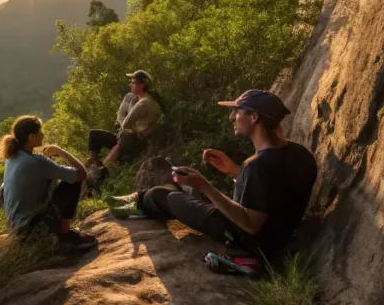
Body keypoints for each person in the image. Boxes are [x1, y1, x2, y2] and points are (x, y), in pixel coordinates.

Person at [107, 90, 318, 261]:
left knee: (162, 195)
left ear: (254, 117)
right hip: (278, 234)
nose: (232, 117)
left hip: (250, 239)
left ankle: (139, 202)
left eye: (237, 111)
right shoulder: (300, 153)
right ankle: (156, 196)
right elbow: (275, 193)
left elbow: (251, 224)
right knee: (187, 185)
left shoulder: (257, 165)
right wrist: (235, 171)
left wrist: (205, 186)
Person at [0, 115, 96, 248]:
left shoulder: (12, 158)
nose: (42, 134)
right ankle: (65, 235)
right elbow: (81, 174)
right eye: (39, 132)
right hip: (33, 230)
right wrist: (61, 152)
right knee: (72, 182)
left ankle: (61, 232)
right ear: (31, 137)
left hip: (17, 229)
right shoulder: (37, 162)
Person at [87, 70, 163, 168]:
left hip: (137, 143)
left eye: (133, 82)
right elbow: (121, 115)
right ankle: (95, 164)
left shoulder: (144, 103)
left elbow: (125, 124)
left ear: (142, 85)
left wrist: (124, 120)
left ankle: (102, 170)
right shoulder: (135, 98)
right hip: (129, 138)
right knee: (94, 134)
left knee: (124, 135)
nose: (130, 84)